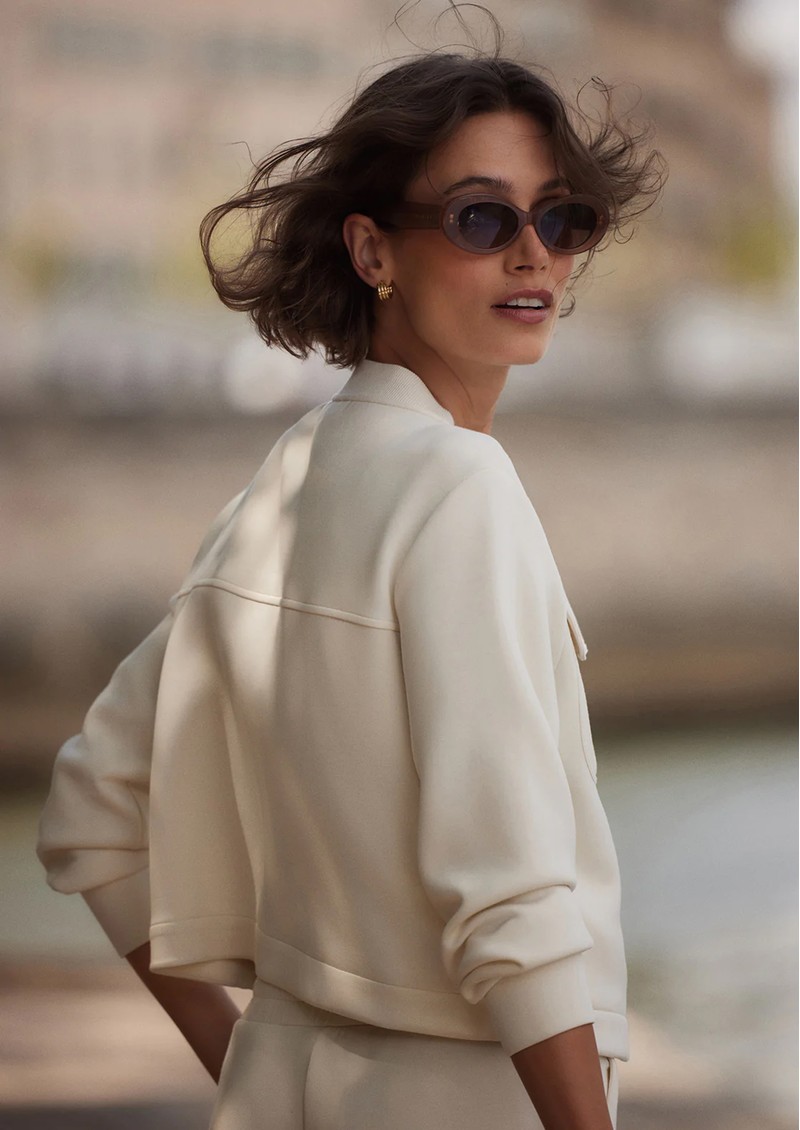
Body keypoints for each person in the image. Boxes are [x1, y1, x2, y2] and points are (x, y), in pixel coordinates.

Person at [35, 29, 665, 1130]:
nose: (533, 255)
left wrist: (246, 1057)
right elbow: (511, 904)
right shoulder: (459, 489)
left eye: (560, 218)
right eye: (481, 218)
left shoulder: (283, 485)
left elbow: (90, 809)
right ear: (372, 250)